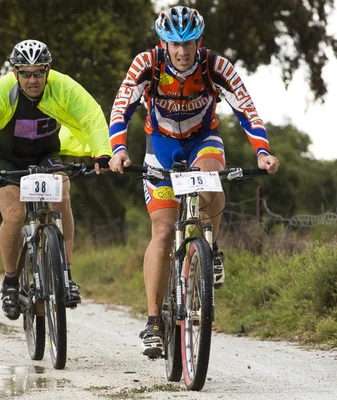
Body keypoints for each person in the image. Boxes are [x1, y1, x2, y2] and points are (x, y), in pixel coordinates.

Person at [108, 6, 280, 358]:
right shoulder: (147, 64)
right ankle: (154, 321)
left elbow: (246, 109)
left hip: (204, 139)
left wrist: (262, 151)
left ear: (199, 41)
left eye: (188, 43)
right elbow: (121, 105)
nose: (182, 51)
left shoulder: (216, 66)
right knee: (161, 231)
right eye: (174, 44)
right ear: (163, 42)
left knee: (211, 177)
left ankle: (211, 248)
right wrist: (118, 149)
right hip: (161, 146)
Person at [0, 39, 112, 320]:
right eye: (26, 73)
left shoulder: (63, 86)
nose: (33, 80)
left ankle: (65, 275)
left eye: (39, 72)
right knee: (15, 215)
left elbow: (91, 116)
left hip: (47, 155)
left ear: (48, 70)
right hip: (9, 160)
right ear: (15, 72)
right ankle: (9, 282)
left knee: (62, 197)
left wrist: (103, 153)